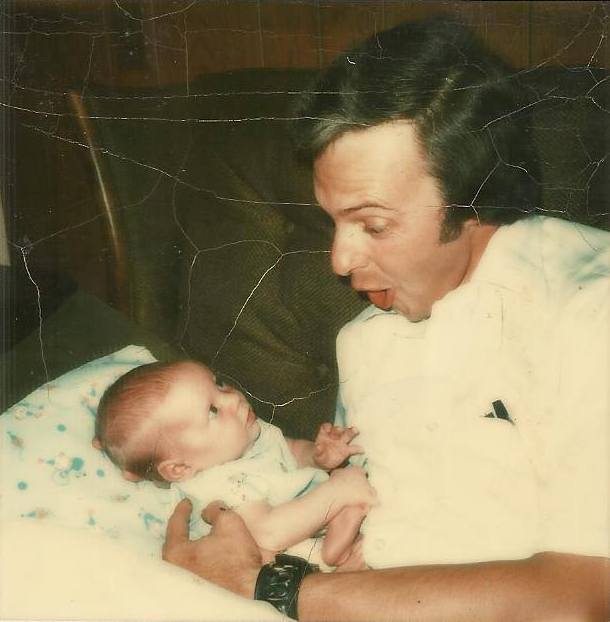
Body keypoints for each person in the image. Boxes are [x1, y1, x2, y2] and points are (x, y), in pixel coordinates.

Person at [162, 17, 610, 621]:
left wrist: (267, 587)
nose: (340, 261)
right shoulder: (365, 340)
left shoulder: (589, 310)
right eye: (333, 222)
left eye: (373, 225)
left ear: (473, 196)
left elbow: (583, 600)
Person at [93, 360, 376, 567]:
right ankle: (337, 559)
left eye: (219, 384)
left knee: (347, 495)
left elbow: (290, 452)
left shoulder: (246, 435)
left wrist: (318, 457)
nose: (233, 398)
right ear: (180, 469)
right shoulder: (218, 487)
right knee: (277, 558)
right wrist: (337, 491)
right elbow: (269, 533)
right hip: (279, 555)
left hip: (310, 520)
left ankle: (340, 538)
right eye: (213, 411)